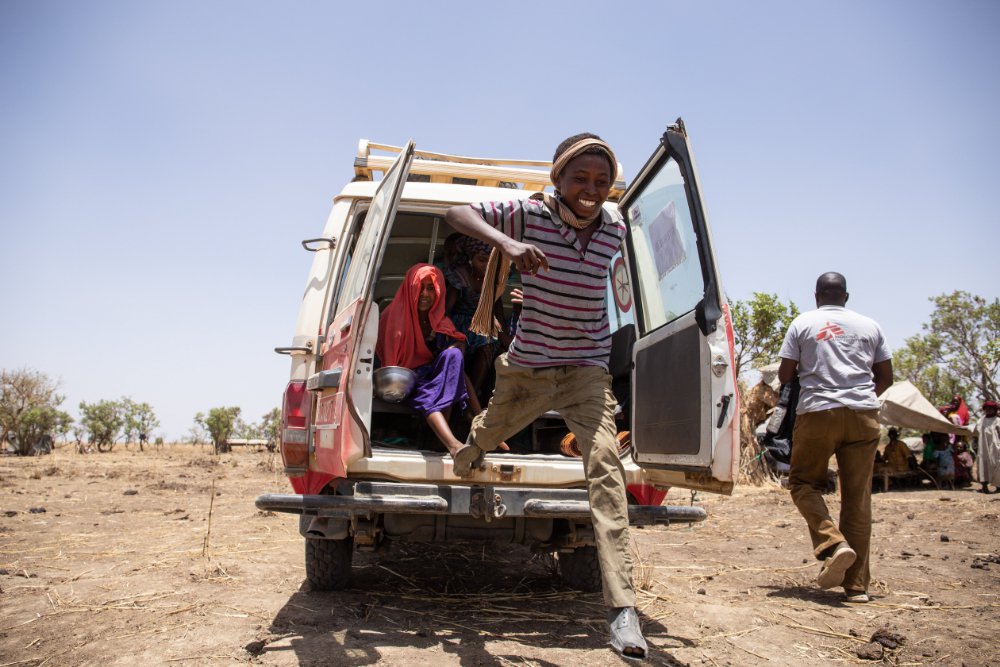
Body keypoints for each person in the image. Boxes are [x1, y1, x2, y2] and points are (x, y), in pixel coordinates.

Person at [444, 133, 647, 660]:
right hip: (528, 370)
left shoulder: (616, 228)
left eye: (602, 181)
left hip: (586, 372)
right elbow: (454, 210)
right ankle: (470, 451)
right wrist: (506, 244)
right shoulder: (528, 215)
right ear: (557, 179)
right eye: (580, 178)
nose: (591, 189)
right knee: (490, 431)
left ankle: (622, 609)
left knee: (604, 467)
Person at [778, 272, 893, 604]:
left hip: (818, 414)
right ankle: (856, 587)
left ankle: (833, 543)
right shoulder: (870, 326)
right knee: (857, 500)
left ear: (816, 296)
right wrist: (858, 398)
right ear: (846, 296)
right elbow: (885, 377)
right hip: (864, 416)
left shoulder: (803, 323)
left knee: (802, 483)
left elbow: (785, 375)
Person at [375, 263, 493, 457]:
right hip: (403, 380)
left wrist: (457, 346)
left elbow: (455, 360)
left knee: (453, 357)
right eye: (420, 287)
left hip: (430, 377)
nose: (425, 294)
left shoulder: (438, 320)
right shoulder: (393, 316)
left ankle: (478, 420)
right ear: (410, 287)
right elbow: (392, 367)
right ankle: (454, 445)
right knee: (431, 392)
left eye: (431, 288)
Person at [975, 400, 1000, 493]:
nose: (989, 410)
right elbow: (973, 428)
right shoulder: (981, 420)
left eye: (991, 408)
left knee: (996, 464)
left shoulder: (998, 420)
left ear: (995, 409)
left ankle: (998, 486)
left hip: (994, 446)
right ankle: (984, 486)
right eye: (987, 408)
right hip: (983, 447)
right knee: (983, 464)